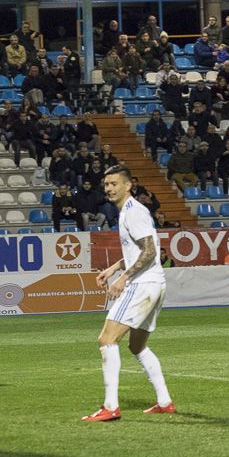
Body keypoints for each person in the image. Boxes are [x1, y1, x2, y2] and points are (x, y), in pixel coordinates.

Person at [83, 165, 175, 422]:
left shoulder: (133, 212)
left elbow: (149, 253)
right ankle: (164, 401)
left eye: (114, 183)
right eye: (106, 185)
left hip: (142, 285)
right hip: (154, 284)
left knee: (106, 339)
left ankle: (110, 406)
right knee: (137, 346)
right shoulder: (129, 212)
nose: (109, 188)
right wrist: (113, 268)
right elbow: (140, 250)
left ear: (128, 185)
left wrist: (122, 279)